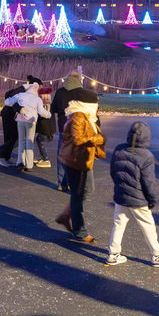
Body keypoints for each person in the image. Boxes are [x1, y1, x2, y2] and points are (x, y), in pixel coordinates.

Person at [104, 120, 159, 267]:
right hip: (138, 199)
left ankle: (113, 254)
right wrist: (153, 199)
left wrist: (120, 187)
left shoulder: (119, 150)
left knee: (118, 224)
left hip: (121, 194)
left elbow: (113, 172)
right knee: (147, 225)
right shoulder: (146, 155)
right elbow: (148, 182)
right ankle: (157, 255)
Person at [54, 88, 105, 243]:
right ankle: (79, 231)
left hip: (79, 160)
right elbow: (77, 139)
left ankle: (67, 217)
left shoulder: (85, 116)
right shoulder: (78, 116)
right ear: (88, 104)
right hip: (75, 161)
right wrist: (98, 139)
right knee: (82, 193)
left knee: (82, 192)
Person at [49, 73, 84, 189]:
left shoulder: (60, 92)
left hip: (63, 126)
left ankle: (61, 182)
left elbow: (53, 108)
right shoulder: (81, 93)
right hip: (77, 127)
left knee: (62, 154)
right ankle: (71, 182)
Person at [6, 76, 48, 171]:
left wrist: (17, 106)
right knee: (29, 142)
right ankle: (29, 165)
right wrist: (48, 114)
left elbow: (7, 102)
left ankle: (20, 162)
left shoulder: (21, 95)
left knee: (21, 141)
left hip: (20, 120)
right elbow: (42, 112)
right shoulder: (37, 99)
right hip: (31, 122)